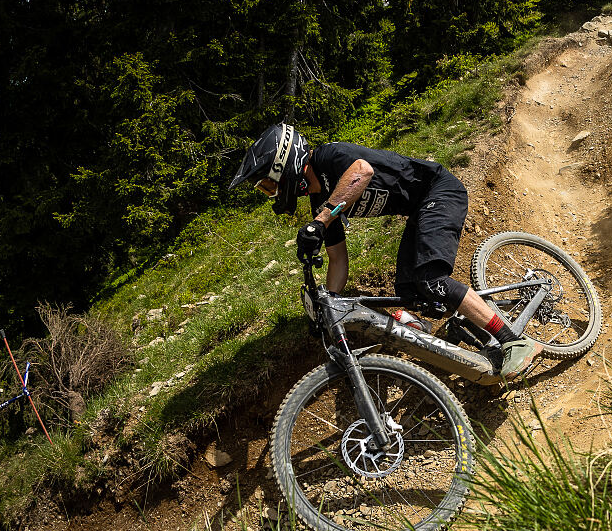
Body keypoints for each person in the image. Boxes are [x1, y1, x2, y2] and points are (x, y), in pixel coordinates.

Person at [228, 123, 541, 379]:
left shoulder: (328, 156)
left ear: (286, 167)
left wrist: (321, 221)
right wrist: (329, 304)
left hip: (440, 190)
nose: (270, 192)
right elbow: (338, 258)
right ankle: (458, 325)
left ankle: (514, 341)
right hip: (420, 209)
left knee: (431, 279)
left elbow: (361, 171)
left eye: (268, 184)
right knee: (411, 292)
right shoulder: (322, 202)